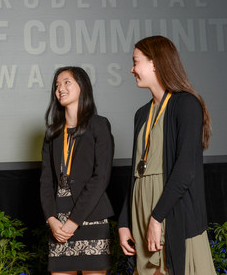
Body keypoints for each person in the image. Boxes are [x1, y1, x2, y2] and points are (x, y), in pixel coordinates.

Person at [118, 35, 215, 275]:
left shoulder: (186, 104)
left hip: (170, 213)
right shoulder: (141, 114)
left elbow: (185, 170)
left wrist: (157, 218)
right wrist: (123, 222)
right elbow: (136, 173)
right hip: (142, 214)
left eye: (135, 62)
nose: (132, 69)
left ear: (154, 62)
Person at [40, 66, 115, 275]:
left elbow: (101, 177)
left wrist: (74, 221)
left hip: (91, 217)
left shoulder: (99, 125)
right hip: (59, 224)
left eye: (66, 82)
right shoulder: (52, 133)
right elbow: (45, 181)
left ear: (82, 87)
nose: (60, 89)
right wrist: (51, 219)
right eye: (56, 85)